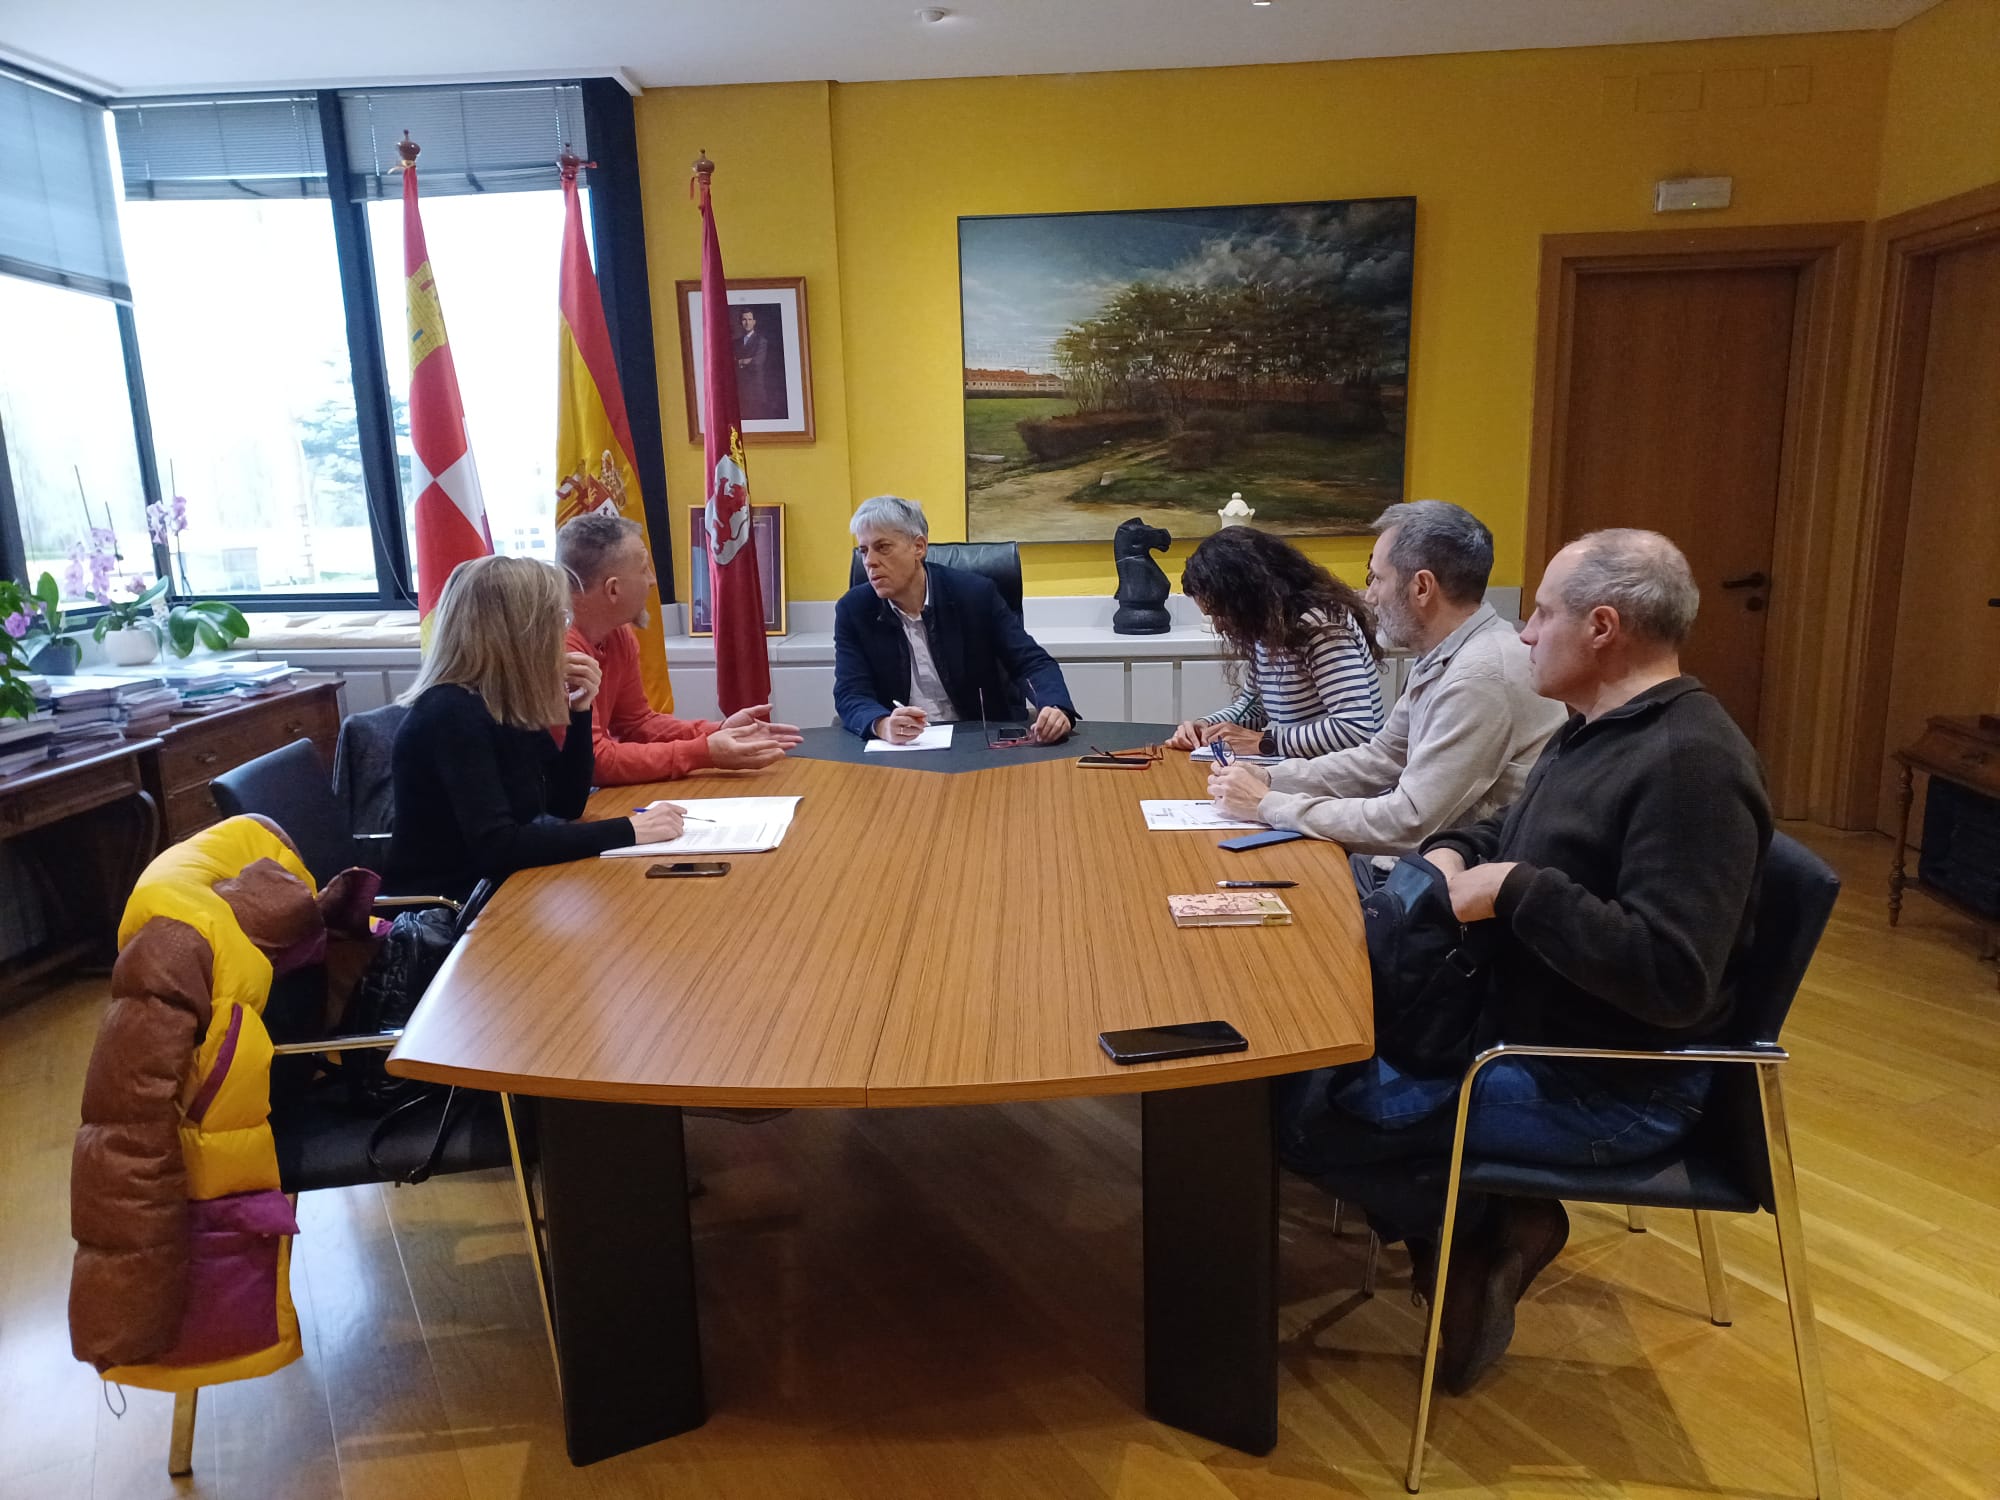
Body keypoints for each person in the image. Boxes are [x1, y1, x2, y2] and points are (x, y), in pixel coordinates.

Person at [1276, 528, 1772, 1394]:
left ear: (1604, 628)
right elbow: (1511, 827)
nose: (1526, 632)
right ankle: (1476, 1217)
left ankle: (1492, 1227)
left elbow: (1673, 976)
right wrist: (1457, 853)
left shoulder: (1690, 765)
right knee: (1310, 1066)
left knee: (1308, 1113)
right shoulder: (1594, 729)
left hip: (1611, 1086)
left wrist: (1515, 892)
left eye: (1543, 613)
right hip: (1519, 1025)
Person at [1207, 500, 1566, 857]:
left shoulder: (1480, 676)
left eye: (1377, 578)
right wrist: (1272, 778)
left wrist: (1269, 805)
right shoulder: (1446, 655)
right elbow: (1381, 757)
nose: (1370, 596)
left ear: (1422, 587)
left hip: (1454, 887)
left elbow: (1409, 824)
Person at [386, 554, 686, 900]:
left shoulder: (502, 700)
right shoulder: (451, 712)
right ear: (520, 631)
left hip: (505, 889)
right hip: (448, 908)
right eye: (557, 619)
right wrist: (628, 830)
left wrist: (579, 710)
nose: (563, 632)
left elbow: (564, 804)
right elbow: (498, 846)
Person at [558, 512, 801, 783]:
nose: (652, 581)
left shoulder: (618, 635)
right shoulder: (559, 651)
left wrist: (717, 730)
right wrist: (703, 752)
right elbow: (593, 763)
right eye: (643, 569)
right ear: (613, 590)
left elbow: (637, 724)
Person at [835, 495, 1078, 744]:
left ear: (918, 547)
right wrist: (881, 724)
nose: (870, 561)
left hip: (979, 741)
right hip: (903, 747)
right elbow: (851, 693)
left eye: (882, 547)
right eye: (864, 551)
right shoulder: (854, 610)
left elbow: (1031, 663)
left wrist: (1055, 707)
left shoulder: (975, 595)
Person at [1165, 525, 1385, 759]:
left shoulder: (1320, 624)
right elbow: (1253, 708)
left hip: (1346, 782)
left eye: (1221, 613)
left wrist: (1265, 742)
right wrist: (1204, 728)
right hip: (1309, 774)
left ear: (1248, 597)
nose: (1218, 626)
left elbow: (1355, 727)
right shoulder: (1268, 626)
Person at [733, 307, 782, 420]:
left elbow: (757, 363)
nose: (747, 322)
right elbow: (730, 364)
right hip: (740, 388)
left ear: (754, 322)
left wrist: (739, 362)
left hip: (755, 388)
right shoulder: (735, 343)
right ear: (741, 322)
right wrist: (743, 361)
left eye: (750, 319)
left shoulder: (761, 341)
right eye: (744, 319)